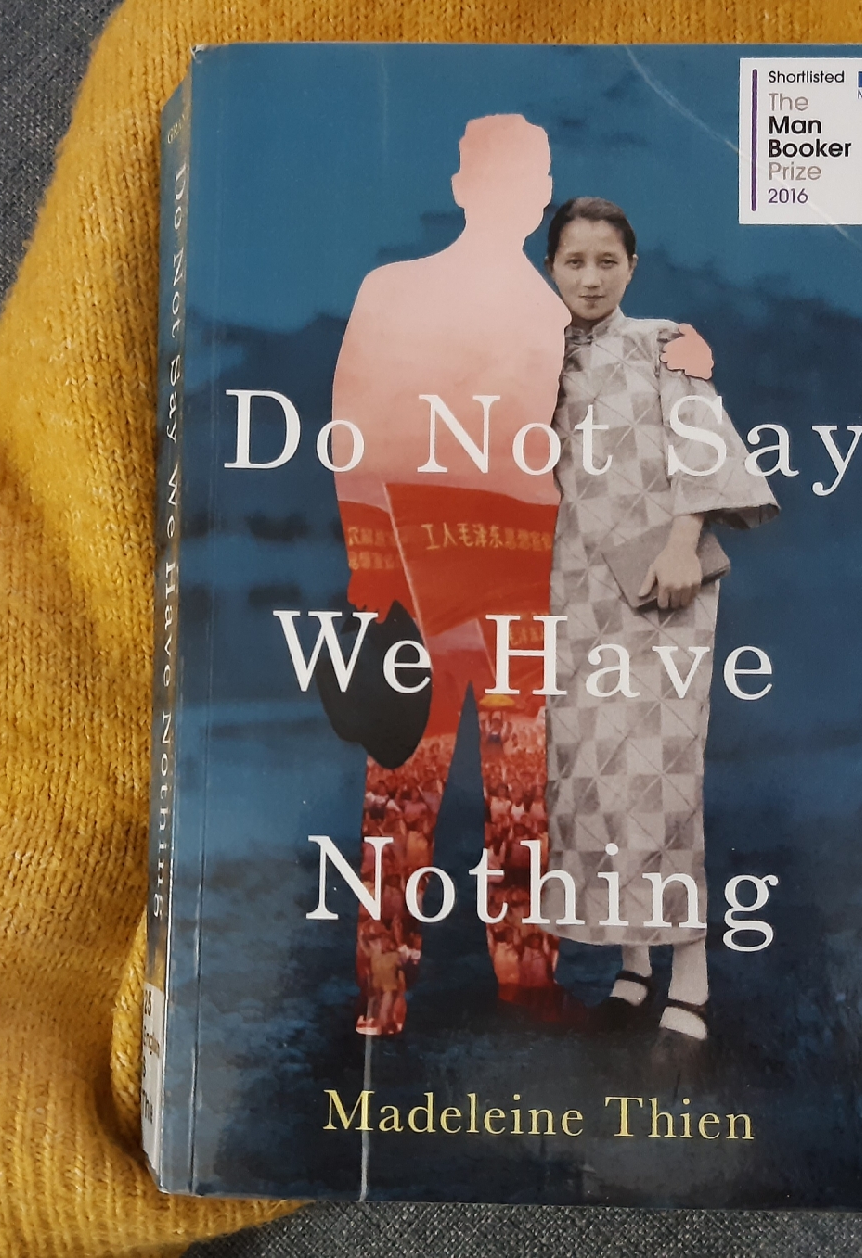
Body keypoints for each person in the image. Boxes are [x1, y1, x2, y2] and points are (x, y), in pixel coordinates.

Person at [330, 115, 575, 1036]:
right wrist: (373, 578)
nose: (515, 197)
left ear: (540, 200)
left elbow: (568, 467)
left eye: (528, 183)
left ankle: (527, 981)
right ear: (463, 186)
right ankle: (383, 985)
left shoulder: (558, 320)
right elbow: (352, 440)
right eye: (500, 178)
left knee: (525, 795)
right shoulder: (392, 294)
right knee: (403, 790)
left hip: (525, 589)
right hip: (412, 585)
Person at [539, 197, 780, 1044]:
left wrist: (683, 543)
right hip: (573, 593)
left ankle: (693, 977)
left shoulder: (664, 342)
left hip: (657, 584)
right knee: (590, 779)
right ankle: (633, 964)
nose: (591, 278)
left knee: (658, 778)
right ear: (550, 267)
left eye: (607, 262)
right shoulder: (536, 353)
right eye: (574, 262)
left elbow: (704, 446)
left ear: (632, 268)